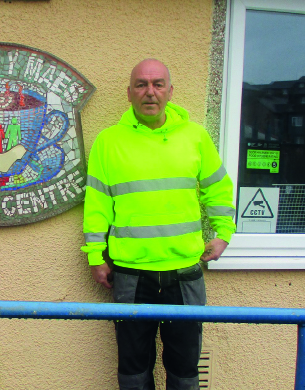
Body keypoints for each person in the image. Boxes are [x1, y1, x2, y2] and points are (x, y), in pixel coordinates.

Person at [82, 59, 236, 390]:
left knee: (185, 367)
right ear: (129, 93)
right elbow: (97, 204)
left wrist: (223, 234)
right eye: (141, 84)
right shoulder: (109, 141)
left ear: (170, 91)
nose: (149, 92)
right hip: (131, 274)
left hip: (184, 272)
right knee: (133, 367)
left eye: (157, 84)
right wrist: (95, 255)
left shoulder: (195, 137)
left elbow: (218, 189)